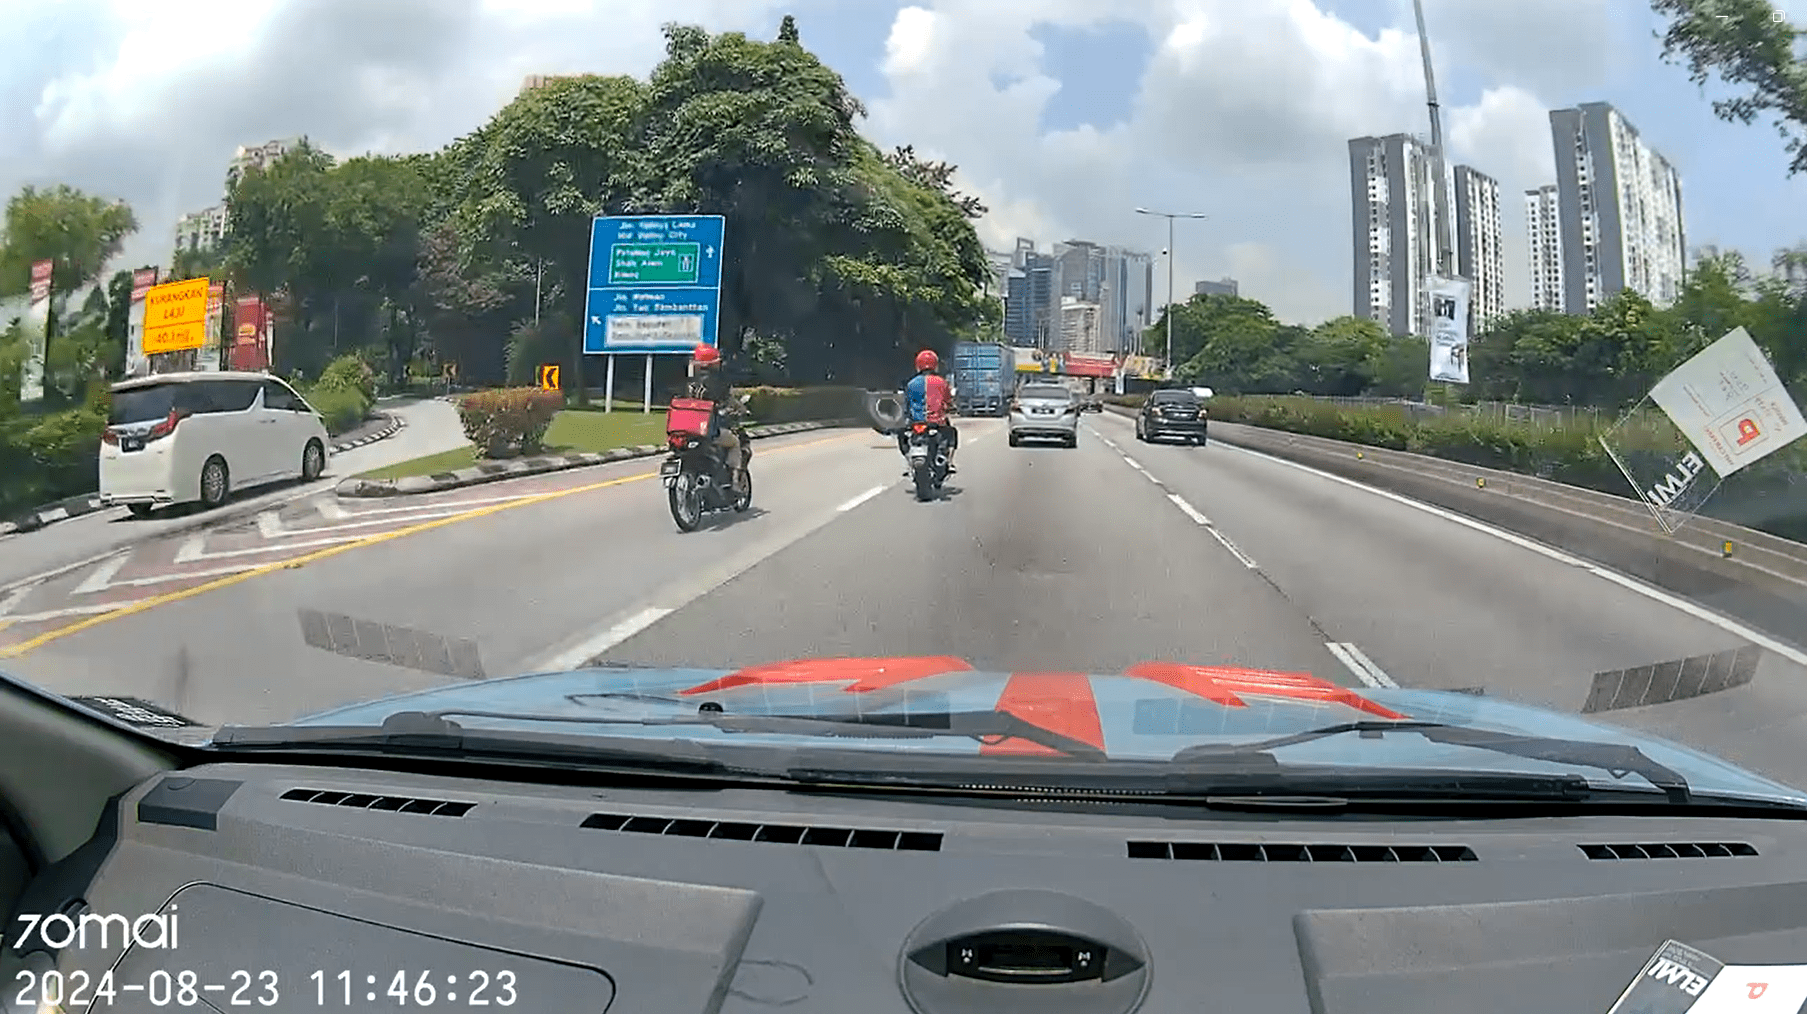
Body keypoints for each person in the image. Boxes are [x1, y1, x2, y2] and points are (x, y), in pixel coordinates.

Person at [686, 343, 744, 481]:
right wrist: (739, 408)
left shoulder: (689, 382)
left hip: (687, 432)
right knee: (735, 443)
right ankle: (734, 480)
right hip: (707, 433)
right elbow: (727, 400)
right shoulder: (717, 382)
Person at [903, 349, 957, 474]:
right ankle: (949, 462)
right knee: (952, 433)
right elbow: (948, 401)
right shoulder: (942, 382)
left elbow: (906, 404)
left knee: (902, 436)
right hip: (937, 423)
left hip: (916, 423)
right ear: (935, 365)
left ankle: (908, 463)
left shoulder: (911, 384)